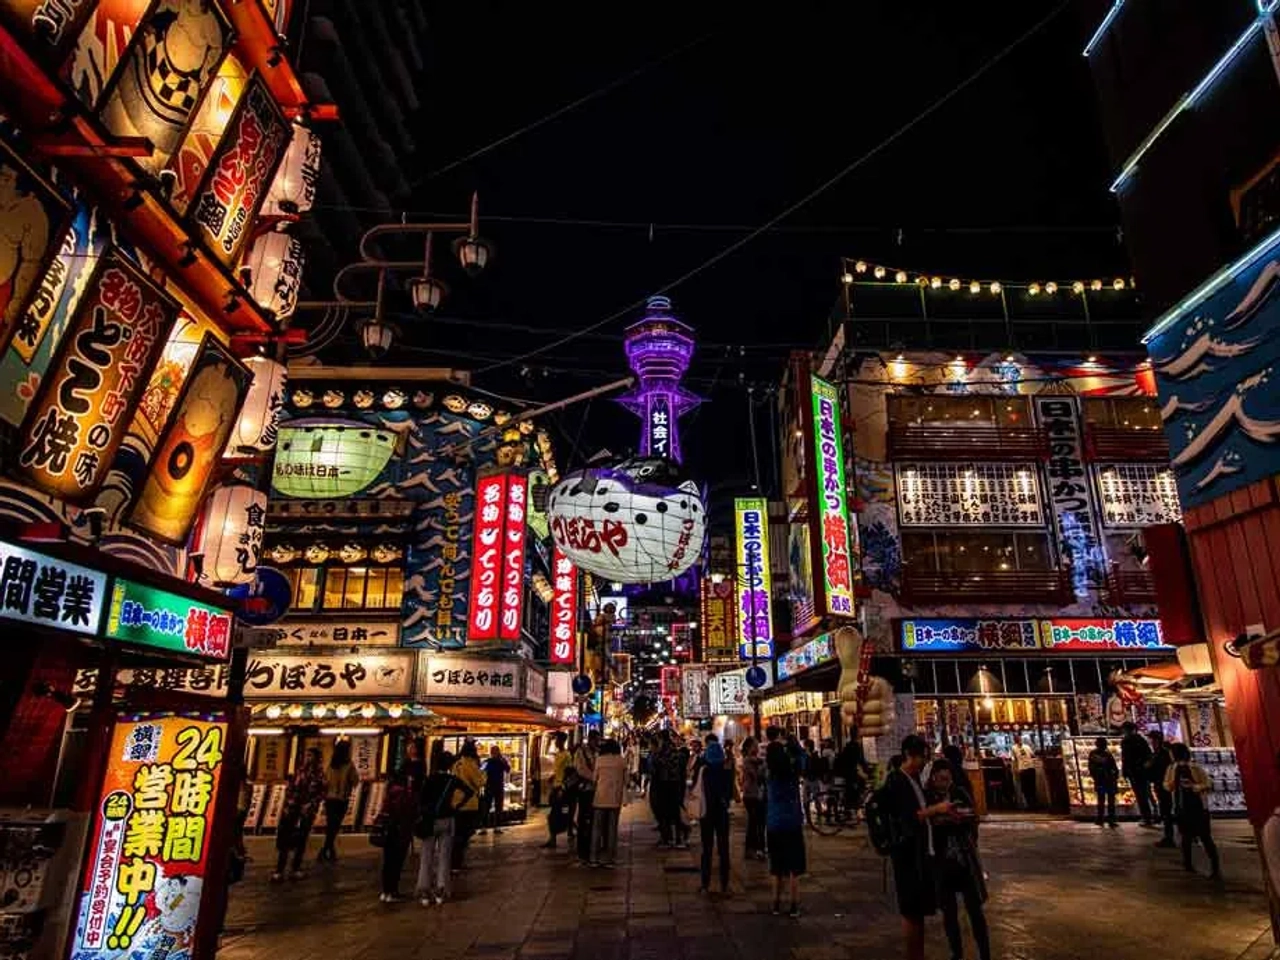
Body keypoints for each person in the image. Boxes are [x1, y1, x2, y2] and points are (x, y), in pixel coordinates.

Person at [881, 734, 951, 960]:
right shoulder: (898, 781)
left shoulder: (914, 780)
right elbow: (909, 818)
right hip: (907, 855)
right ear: (909, 755)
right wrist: (937, 809)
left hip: (921, 852)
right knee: (912, 911)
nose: (924, 763)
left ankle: (918, 954)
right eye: (922, 757)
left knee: (918, 911)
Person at [927, 764, 991, 960]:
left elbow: (973, 818)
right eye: (941, 780)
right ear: (933, 778)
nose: (945, 784)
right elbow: (926, 822)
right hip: (942, 860)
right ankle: (956, 952)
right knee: (949, 912)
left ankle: (985, 953)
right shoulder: (928, 797)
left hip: (964, 859)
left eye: (948, 779)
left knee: (975, 909)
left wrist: (963, 822)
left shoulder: (959, 793)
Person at [417, 751, 472, 906]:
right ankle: (441, 889)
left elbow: (421, 800)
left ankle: (424, 891)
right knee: (444, 856)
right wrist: (456, 806)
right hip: (447, 819)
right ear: (450, 765)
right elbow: (469, 791)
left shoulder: (430, 779)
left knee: (426, 856)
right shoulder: (452, 780)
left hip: (430, 821)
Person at [764, 733, 806, 917]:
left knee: (776, 867)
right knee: (794, 868)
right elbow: (803, 758)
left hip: (774, 824)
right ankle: (794, 905)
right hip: (792, 824)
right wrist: (793, 744)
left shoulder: (768, 775)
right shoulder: (792, 773)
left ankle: (775, 904)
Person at [1165, 742, 1221, 879]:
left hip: (1198, 807)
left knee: (1205, 836)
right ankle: (1188, 864)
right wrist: (1172, 785)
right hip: (1181, 806)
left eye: (1172, 753)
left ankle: (1215, 867)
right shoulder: (1172, 768)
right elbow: (1166, 784)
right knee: (1186, 836)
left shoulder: (1195, 768)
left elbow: (1208, 783)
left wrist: (1194, 786)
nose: (1170, 756)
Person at [272, 747, 326, 881]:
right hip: (292, 810)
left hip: (307, 812)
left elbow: (321, 792)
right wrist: (288, 804)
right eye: (307, 755)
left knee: (301, 840)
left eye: (310, 756)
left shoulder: (320, 774)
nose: (308, 758)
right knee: (285, 839)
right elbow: (290, 789)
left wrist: (311, 804)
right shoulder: (299, 771)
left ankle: (295, 868)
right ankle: (279, 870)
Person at [693, 734, 733, 893]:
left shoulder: (703, 769)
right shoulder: (726, 769)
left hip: (706, 813)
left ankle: (705, 884)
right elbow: (730, 792)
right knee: (724, 849)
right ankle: (725, 884)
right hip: (722, 812)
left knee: (707, 848)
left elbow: (695, 786)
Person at [377, 772, 417, 902]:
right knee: (396, 863)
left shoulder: (389, 793)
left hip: (388, 831)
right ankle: (392, 891)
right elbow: (408, 813)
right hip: (400, 832)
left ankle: (385, 891)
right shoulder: (404, 794)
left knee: (388, 862)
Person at [319, 740, 360, 862]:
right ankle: (326, 851)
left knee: (331, 825)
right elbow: (355, 781)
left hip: (329, 799)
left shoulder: (331, 764)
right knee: (334, 826)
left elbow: (325, 780)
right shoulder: (349, 764)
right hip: (341, 799)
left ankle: (328, 851)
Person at [590, 738, 627, 866]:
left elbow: (594, 779)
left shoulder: (600, 760)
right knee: (612, 829)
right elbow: (625, 780)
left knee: (597, 828)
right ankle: (610, 858)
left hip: (600, 797)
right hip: (615, 798)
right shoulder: (621, 761)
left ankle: (594, 857)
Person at [450, 740, 486, 869]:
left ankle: (455, 861)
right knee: (464, 834)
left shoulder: (456, 763)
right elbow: (480, 782)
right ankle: (457, 862)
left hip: (456, 802)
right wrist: (483, 773)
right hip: (469, 803)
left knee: (457, 833)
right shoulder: (470, 764)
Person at [1120, 722, 1156, 827]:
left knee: (1141, 796)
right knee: (1146, 794)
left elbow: (1125, 758)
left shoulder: (1126, 741)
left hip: (1134, 772)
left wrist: (1125, 771)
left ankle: (1147, 817)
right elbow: (1149, 754)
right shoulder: (1141, 740)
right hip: (1143, 772)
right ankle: (1154, 814)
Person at [834, 729, 873, 823]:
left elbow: (861, 762)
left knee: (857, 789)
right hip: (851, 774)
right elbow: (857, 763)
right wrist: (866, 773)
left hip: (848, 773)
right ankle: (854, 810)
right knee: (858, 788)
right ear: (858, 734)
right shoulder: (855, 746)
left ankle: (855, 810)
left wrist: (866, 769)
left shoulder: (850, 745)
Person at [574, 729, 601, 863]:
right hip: (585, 790)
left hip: (595, 790)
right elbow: (581, 770)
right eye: (596, 740)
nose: (598, 742)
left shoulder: (597, 752)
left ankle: (591, 846)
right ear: (590, 739)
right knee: (584, 819)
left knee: (593, 819)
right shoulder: (581, 752)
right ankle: (582, 849)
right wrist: (595, 778)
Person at [542, 731, 573, 849]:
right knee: (554, 814)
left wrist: (563, 788)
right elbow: (558, 771)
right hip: (555, 786)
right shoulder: (558, 755)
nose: (555, 742)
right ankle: (553, 837)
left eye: (557, 740)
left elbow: (569, 773)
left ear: (562, 741)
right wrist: (553, 777)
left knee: (554, 814)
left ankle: (553, 838)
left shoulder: (567, 755)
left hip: (561, 788)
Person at [740, 737, 767, 860]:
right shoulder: (747, 761)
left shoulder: (757, 760)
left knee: (757, 822)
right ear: (748, 747)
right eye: (755, 745)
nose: (757, 748)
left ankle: (757, 848)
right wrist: (762, 768)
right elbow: (755, 776)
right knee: (753, 823)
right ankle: (751, 849)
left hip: (756, 794)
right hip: (750, 795)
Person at [1148, 730, 1177, 848]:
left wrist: (1149, 766)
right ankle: (1169, 836)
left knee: (1166, 811)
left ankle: (1169, 837)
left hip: (1163, 784)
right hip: (1160, 784)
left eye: (1153, 740)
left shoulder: (1162, 753)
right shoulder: (1158, 753)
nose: (1151, 742)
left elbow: (1162, 768)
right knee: (1166, 810)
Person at [1087, 737, 1119, 828]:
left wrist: (1096, 777)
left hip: (1101, 780)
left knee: (1102, 800)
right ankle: (1110, 819)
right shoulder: (1107, 754)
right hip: (1107, 780)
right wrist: (1115, 776)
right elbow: (1114, 767)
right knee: (1109, 800)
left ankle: (1101, 819)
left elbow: (1091, 768)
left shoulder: (1094, 754)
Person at [479, 744, 510, 834]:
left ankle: (485, 827)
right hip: (497, 786)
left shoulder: (488, 761)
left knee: (487, 807)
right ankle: (497, 827)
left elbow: (481, 770)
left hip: (490, 787)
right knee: (497, 807)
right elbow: (508, 769)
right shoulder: (500, 761)